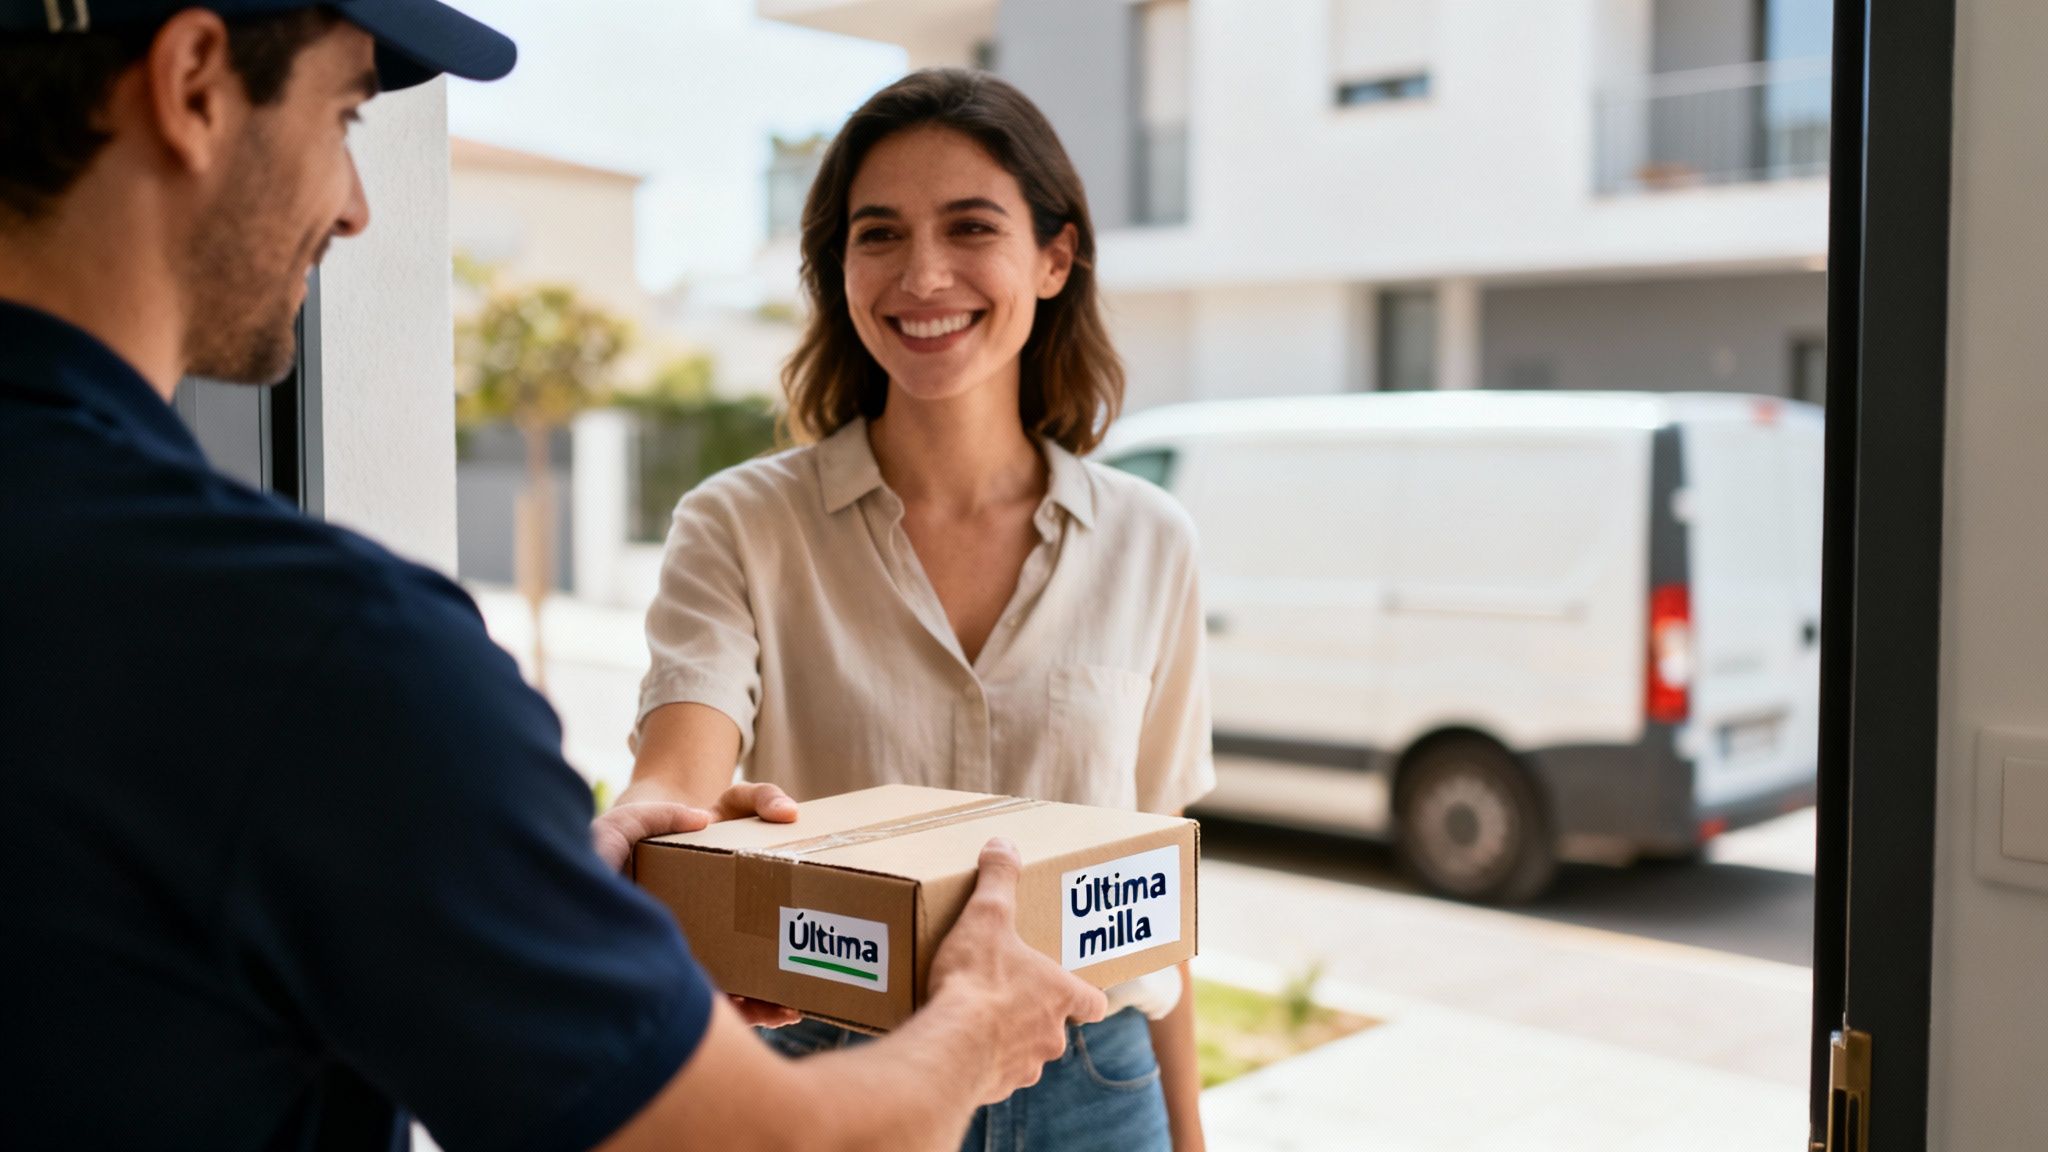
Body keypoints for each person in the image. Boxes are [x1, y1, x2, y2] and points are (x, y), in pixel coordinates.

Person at [0, 4, 1105, 1149]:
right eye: (344, 115)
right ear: (191, 84)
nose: (356, 204)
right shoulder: (317, 650)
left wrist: (540, 904)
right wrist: (975, 1022)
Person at [619, 69, 1216, 1152]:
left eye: (969, 226)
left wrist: (1188, 1136)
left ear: (1053, 256)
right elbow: (680, 761)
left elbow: (1152, 890)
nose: (922, 274)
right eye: (878, 234)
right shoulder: (740, 524)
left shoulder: (1149, 541)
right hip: (831, 1073)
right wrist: (654, 821)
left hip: (1093, 1079)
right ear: (838, 269)